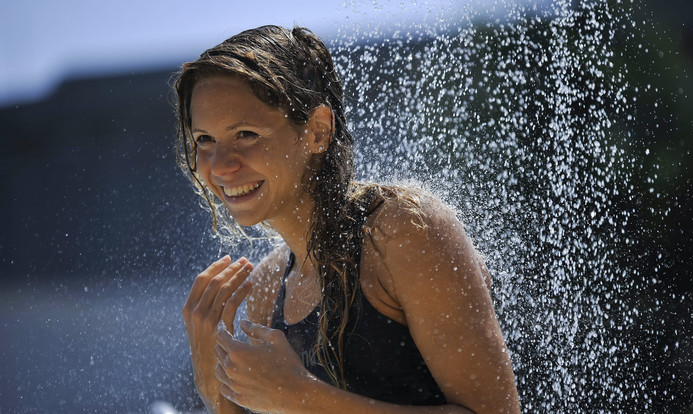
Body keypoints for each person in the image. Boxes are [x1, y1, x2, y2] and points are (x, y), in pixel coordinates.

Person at [175, 25, 520, 414]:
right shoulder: (269, 287)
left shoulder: (402, 231)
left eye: (246, 134)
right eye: (204, 139)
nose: (219, 165)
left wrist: (301, 397)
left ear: (318, 131)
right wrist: (211, 385)